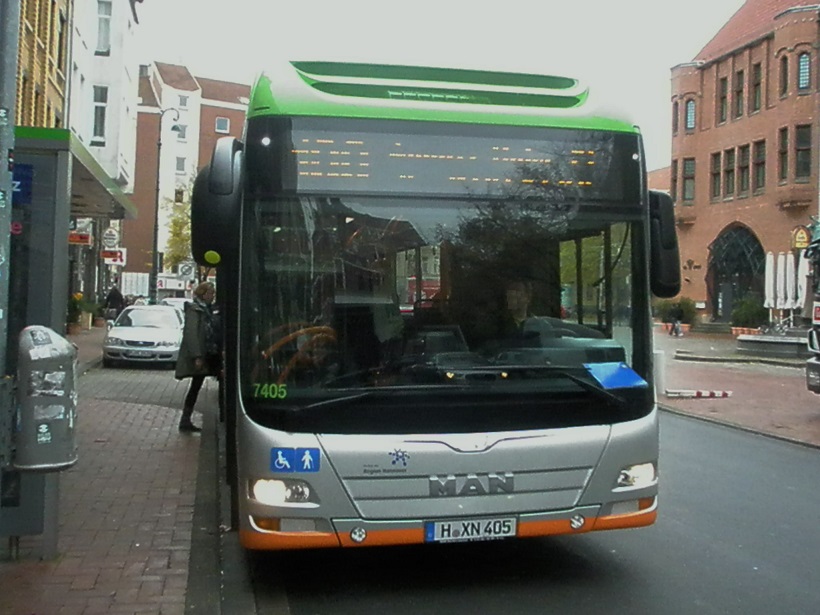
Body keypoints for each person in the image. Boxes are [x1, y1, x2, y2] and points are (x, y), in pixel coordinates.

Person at [175, 282, 220, 432]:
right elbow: (191, 334)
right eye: (210, 293)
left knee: (196, 385)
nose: (212, 296)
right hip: (202, 353)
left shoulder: (207, 310)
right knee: (195, 386)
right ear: (203, 294)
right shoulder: (195, 310)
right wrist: (197, 356)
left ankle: (186, 419)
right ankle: (185, 419)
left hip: (208, 352)